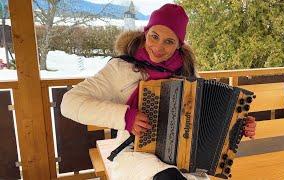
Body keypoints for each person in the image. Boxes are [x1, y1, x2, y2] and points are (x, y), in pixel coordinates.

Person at [61, 3, 256, 180]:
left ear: (179, 45)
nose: (158, 47)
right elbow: (69, 103)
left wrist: (237, 124)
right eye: (154, 36)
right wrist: (125, 116)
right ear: (146, 32)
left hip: (183, 156)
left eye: (169, 41)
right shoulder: (122, 68)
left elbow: (205, 118)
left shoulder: (186, 73)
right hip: (135, 151)